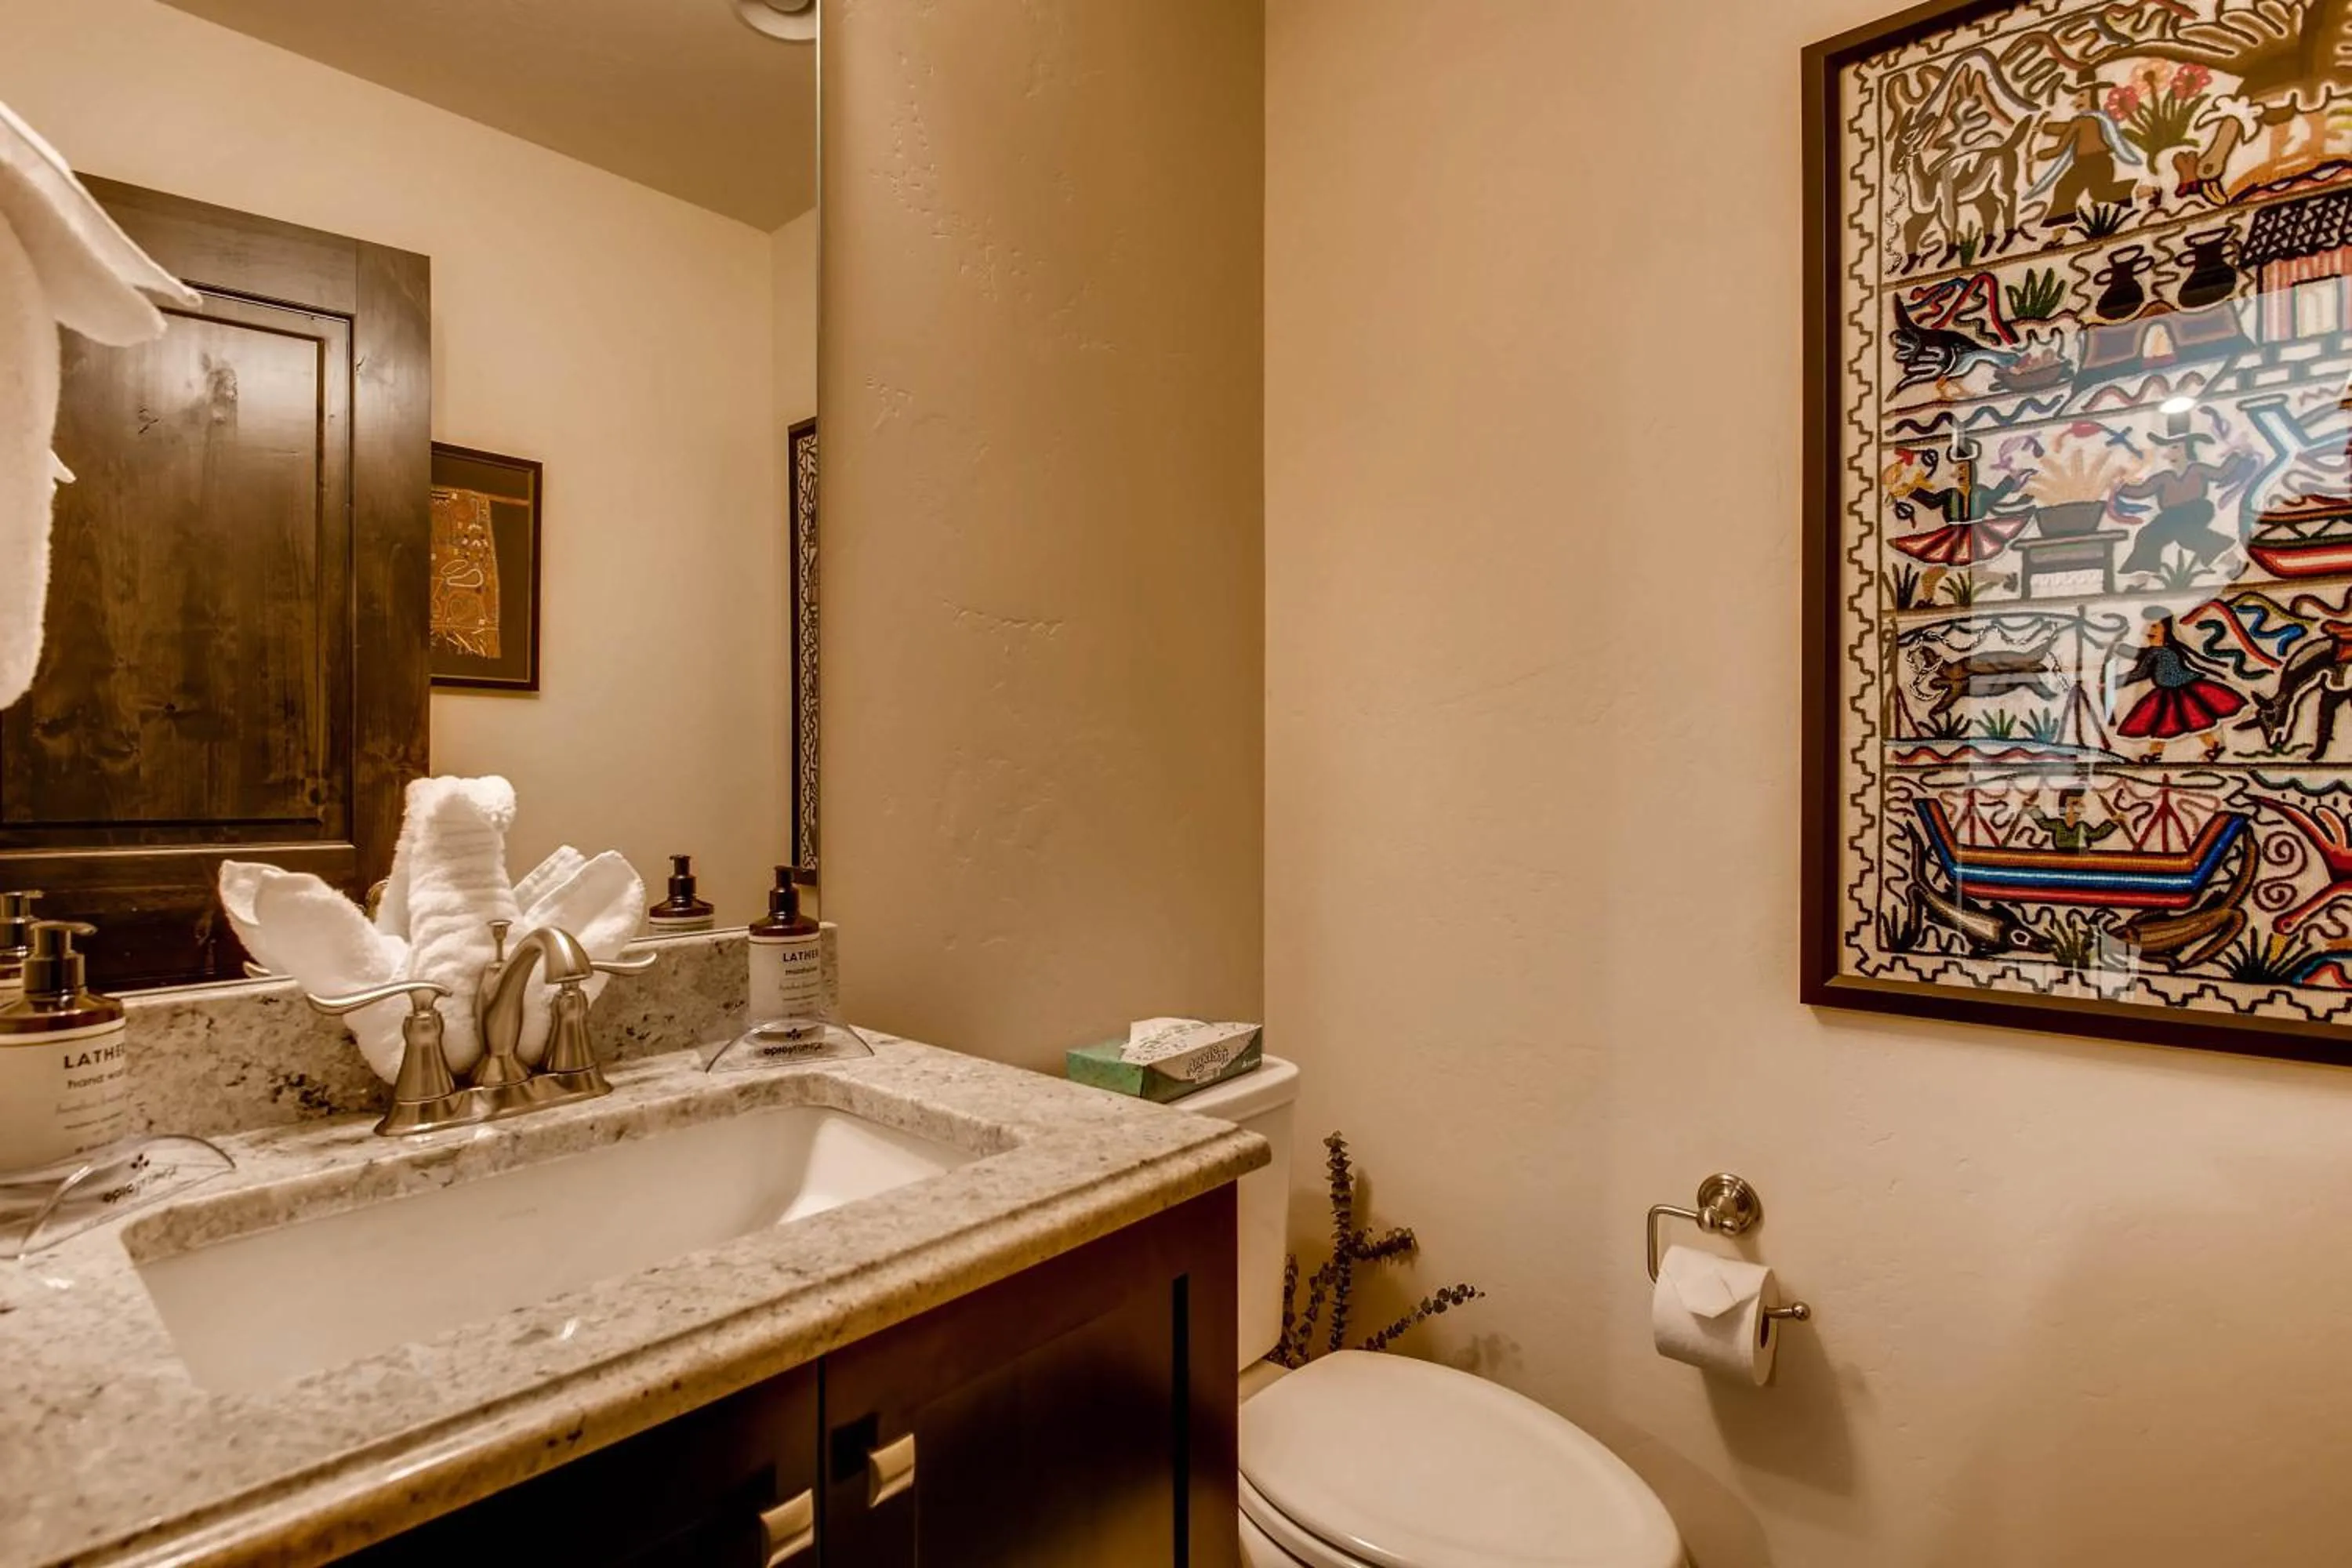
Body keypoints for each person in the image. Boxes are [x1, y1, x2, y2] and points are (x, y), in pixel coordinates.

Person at [2112, 431, 2256, 578]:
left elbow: (2220, 474)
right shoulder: (2164, 477)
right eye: (2170, 448)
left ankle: (2233, 562)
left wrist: (2238, 455)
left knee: (2187, 533)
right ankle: (2141, 578)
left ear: (2186, 449)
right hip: (2171, 516)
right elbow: (2142, 491)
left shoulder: (2196, 469)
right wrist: (2119, 486)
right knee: (2147, 535)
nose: (2170, 452)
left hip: (2195, 509)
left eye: (2175, 447)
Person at [2114, 612, 2246, 760]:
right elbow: (2141, 655)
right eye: (2146, 626)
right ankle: (2157, 752)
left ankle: (2213, 746)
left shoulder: (2159, 652)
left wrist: (2115, 681)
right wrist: (2121, 649)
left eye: (2154, 626)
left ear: (2166, 630)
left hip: (2181, 691)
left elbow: (2141, 672)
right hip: (2170, 691)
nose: (2148, 630)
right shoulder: (2163, 650)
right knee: (2167, 723)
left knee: (2182, 721)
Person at [2031, 78, 2142, 226]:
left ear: (2092, 97)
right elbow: (2066, 128)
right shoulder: (2094, 119)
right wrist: (2045, 129)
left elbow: (2060, 147)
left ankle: (2148, 191)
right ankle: (2058, 232)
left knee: (2091, 192)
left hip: (2095, 163)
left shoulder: (2084, 121)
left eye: (2082, 95)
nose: (2076, 100)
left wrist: (2038, 155)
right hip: (2089, 164)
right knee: (2066, 190)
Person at [2027, 789, 2119, 852]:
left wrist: (2112, 822)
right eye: (2075, 803)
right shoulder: (2058, 824)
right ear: (2063, 809)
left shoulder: (2082, 826)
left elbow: (2096, 834)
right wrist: (2031, 808)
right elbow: (2044, 823)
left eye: (2080, 803)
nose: (2080, 806)